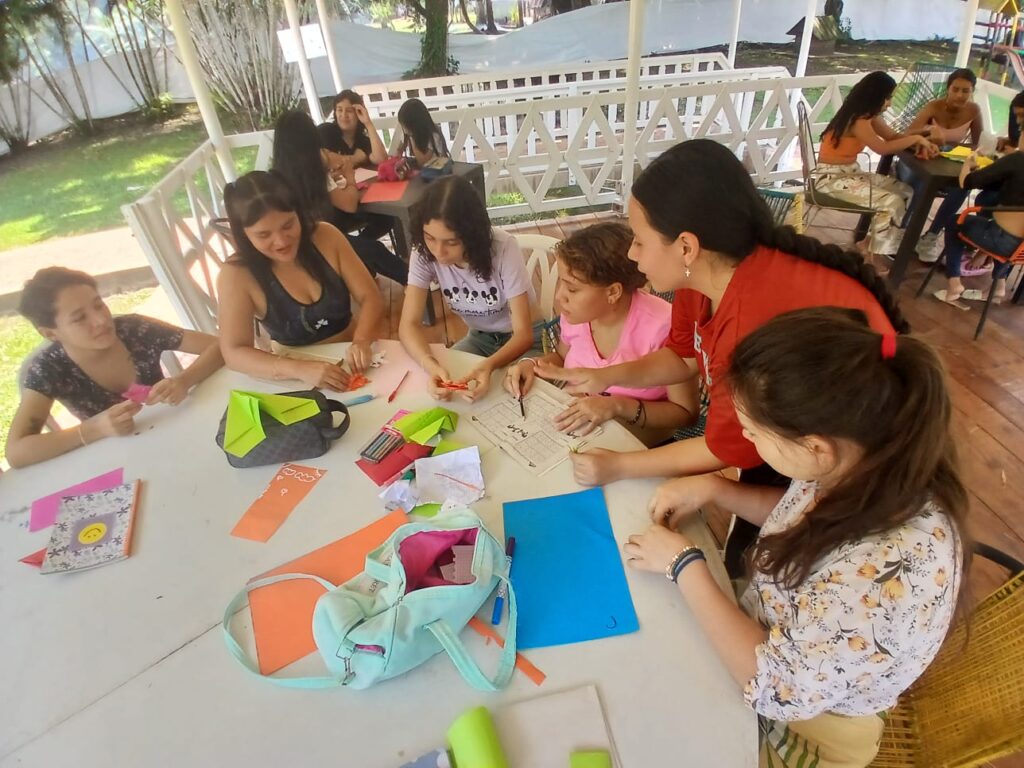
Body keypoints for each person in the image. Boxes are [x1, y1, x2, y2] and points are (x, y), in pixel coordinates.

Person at [536, 139, 908, 575]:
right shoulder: (703, 278)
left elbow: (724, 447)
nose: (632, 255)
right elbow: (682, 358)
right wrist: (605, 376)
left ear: (686, 247)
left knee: (768, 560)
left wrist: (619, 465)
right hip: (792, 436)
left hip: (846, 462)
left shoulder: (753, 321)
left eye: (638, 241)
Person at [624, 307, 967, 768]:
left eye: (752, 431)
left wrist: (684, 564)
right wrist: (718, 489)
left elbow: (773, 688)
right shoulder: (864, 460)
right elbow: (803, 518)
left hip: (810, 727)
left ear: (815, 447)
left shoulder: (884, 578)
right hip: (776, 631)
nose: (745, 438)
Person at [6, 268, 223, 468]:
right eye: (80, 318)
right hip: (120, 463)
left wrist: (184, 380)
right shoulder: (50, 368)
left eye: (98, 305)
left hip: (177, 433)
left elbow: (222, 346)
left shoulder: (134, 329)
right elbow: (16, 452)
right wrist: (94, 429)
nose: (101, 320)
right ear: (50, 333)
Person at [503, 222, 697, 446]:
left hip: (639, 441)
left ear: (613, 292)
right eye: (561, 284)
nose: (560, 297)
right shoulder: (577, 315)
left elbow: (685, 414)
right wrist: (531, 366)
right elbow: (562, 357)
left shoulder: (664, 327)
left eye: (572, 289)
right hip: (580, 427)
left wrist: (617, 406)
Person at [217, 170, 384, 389]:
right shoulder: (236, 274)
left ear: (299, 214)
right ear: (243, 234)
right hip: (291, 374)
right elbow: (234, 352)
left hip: (352, 355)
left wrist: (362, 340)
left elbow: (370, 296)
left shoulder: (326, 236)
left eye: (288, 225)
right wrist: (299, 369)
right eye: (264, 235)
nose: (281, 241)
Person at [399, 175, 541, 403]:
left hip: (528, 340)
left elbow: (524, 334)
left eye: (451, 242)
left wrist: (488, 365)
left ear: (472, 236)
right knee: (448, 388)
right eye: (430, 238)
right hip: (480, 337)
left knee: (516, 395)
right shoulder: (423, 252)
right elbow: (408, 325)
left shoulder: (503, 248)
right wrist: (430, 364)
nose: (438, 252)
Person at [813, 71, 937, 266]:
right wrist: (915, 139)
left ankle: (869, 244)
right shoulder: (858, 121)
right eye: (887, 98)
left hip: (851, 174)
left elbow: (892, 137)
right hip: (831, 179)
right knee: (889, 201)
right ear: (875, 96)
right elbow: (882, 148)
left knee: (905, 192)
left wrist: (921, 135)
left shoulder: (869, 117)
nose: (889, 103)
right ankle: (873, 257)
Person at [272, 109, 407, 286]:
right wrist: (349, 177)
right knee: (376, 250)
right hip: (315, 239)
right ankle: (415, 282)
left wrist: (333, 178)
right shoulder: (311, 170)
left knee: (383, 219)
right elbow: (349, 204)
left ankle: (361, 262)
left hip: (314, 229)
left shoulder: (280, 173)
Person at [903, 69, 984, 259]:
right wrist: (929, 131)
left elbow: (978, 143)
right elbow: (908, 133)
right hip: (919, 159)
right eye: (955, 89)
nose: (960, 95)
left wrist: (950, 147)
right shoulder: (934, 106)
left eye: (965, 91)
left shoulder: (974, 110)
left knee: (962, 187)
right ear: (948, 89)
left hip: (946, 163)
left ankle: (931, 236)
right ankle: (902, 230)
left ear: (972, 91)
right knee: (920, 183)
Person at [940, 150, 1024, 304]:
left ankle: (954, 283)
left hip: (1000, 240)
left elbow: (967, 182)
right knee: (988, 201)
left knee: (954, 222)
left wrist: (968, 164)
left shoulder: (1019, 159)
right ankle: (999, 285)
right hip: (1021, 251)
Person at [318, 89, 388, 167]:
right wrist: (356, 158)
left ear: (358, 113)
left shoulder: (362, 141)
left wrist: (368, 124)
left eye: (349, 111)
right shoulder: (326, 131)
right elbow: (326, 162)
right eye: (340, 110)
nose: (344, 115)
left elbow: (381, 159)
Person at [397, 97, 449, 168]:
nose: (404, 130)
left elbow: (423, 162)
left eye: (405, 126)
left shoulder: (433, 137)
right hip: (421, 171)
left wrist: (412, 137)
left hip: (436, 171)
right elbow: (398, 152)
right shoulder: (408, 134)